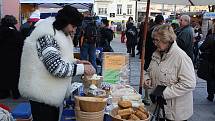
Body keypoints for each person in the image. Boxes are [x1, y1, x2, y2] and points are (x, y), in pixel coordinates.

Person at [18, 5, 96, 121]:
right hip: (42, 96)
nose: (74, 30)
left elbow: (55, 58)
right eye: (73, 26)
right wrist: (82, 68)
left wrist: (76, 61)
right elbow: (56, 68)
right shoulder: (47, 36)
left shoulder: (57, 32)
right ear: (65, 22)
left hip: (48, 93)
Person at [144, 24, 196, 121]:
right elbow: (149, 71)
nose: (154, 43)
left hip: (175, 112)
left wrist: (164, 93)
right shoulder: (156, 54)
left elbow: (189, 83)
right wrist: (147, 78)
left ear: (166, 40)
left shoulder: (181, 57)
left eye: (157, 40)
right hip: (159, 109)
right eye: (153, 40)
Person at [0, 15, 23, 99]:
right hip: (15, 59)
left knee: (2, 75)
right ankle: (15, 94)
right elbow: (21, 45)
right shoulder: (16, 33)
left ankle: (3, 93)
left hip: (2, 59)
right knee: (14, 76)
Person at [199, 23, 215, 102]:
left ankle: (211, 95)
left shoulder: (211, 37)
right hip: (212, 61)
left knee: (211, 79)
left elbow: (202, 47)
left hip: (212, 62)